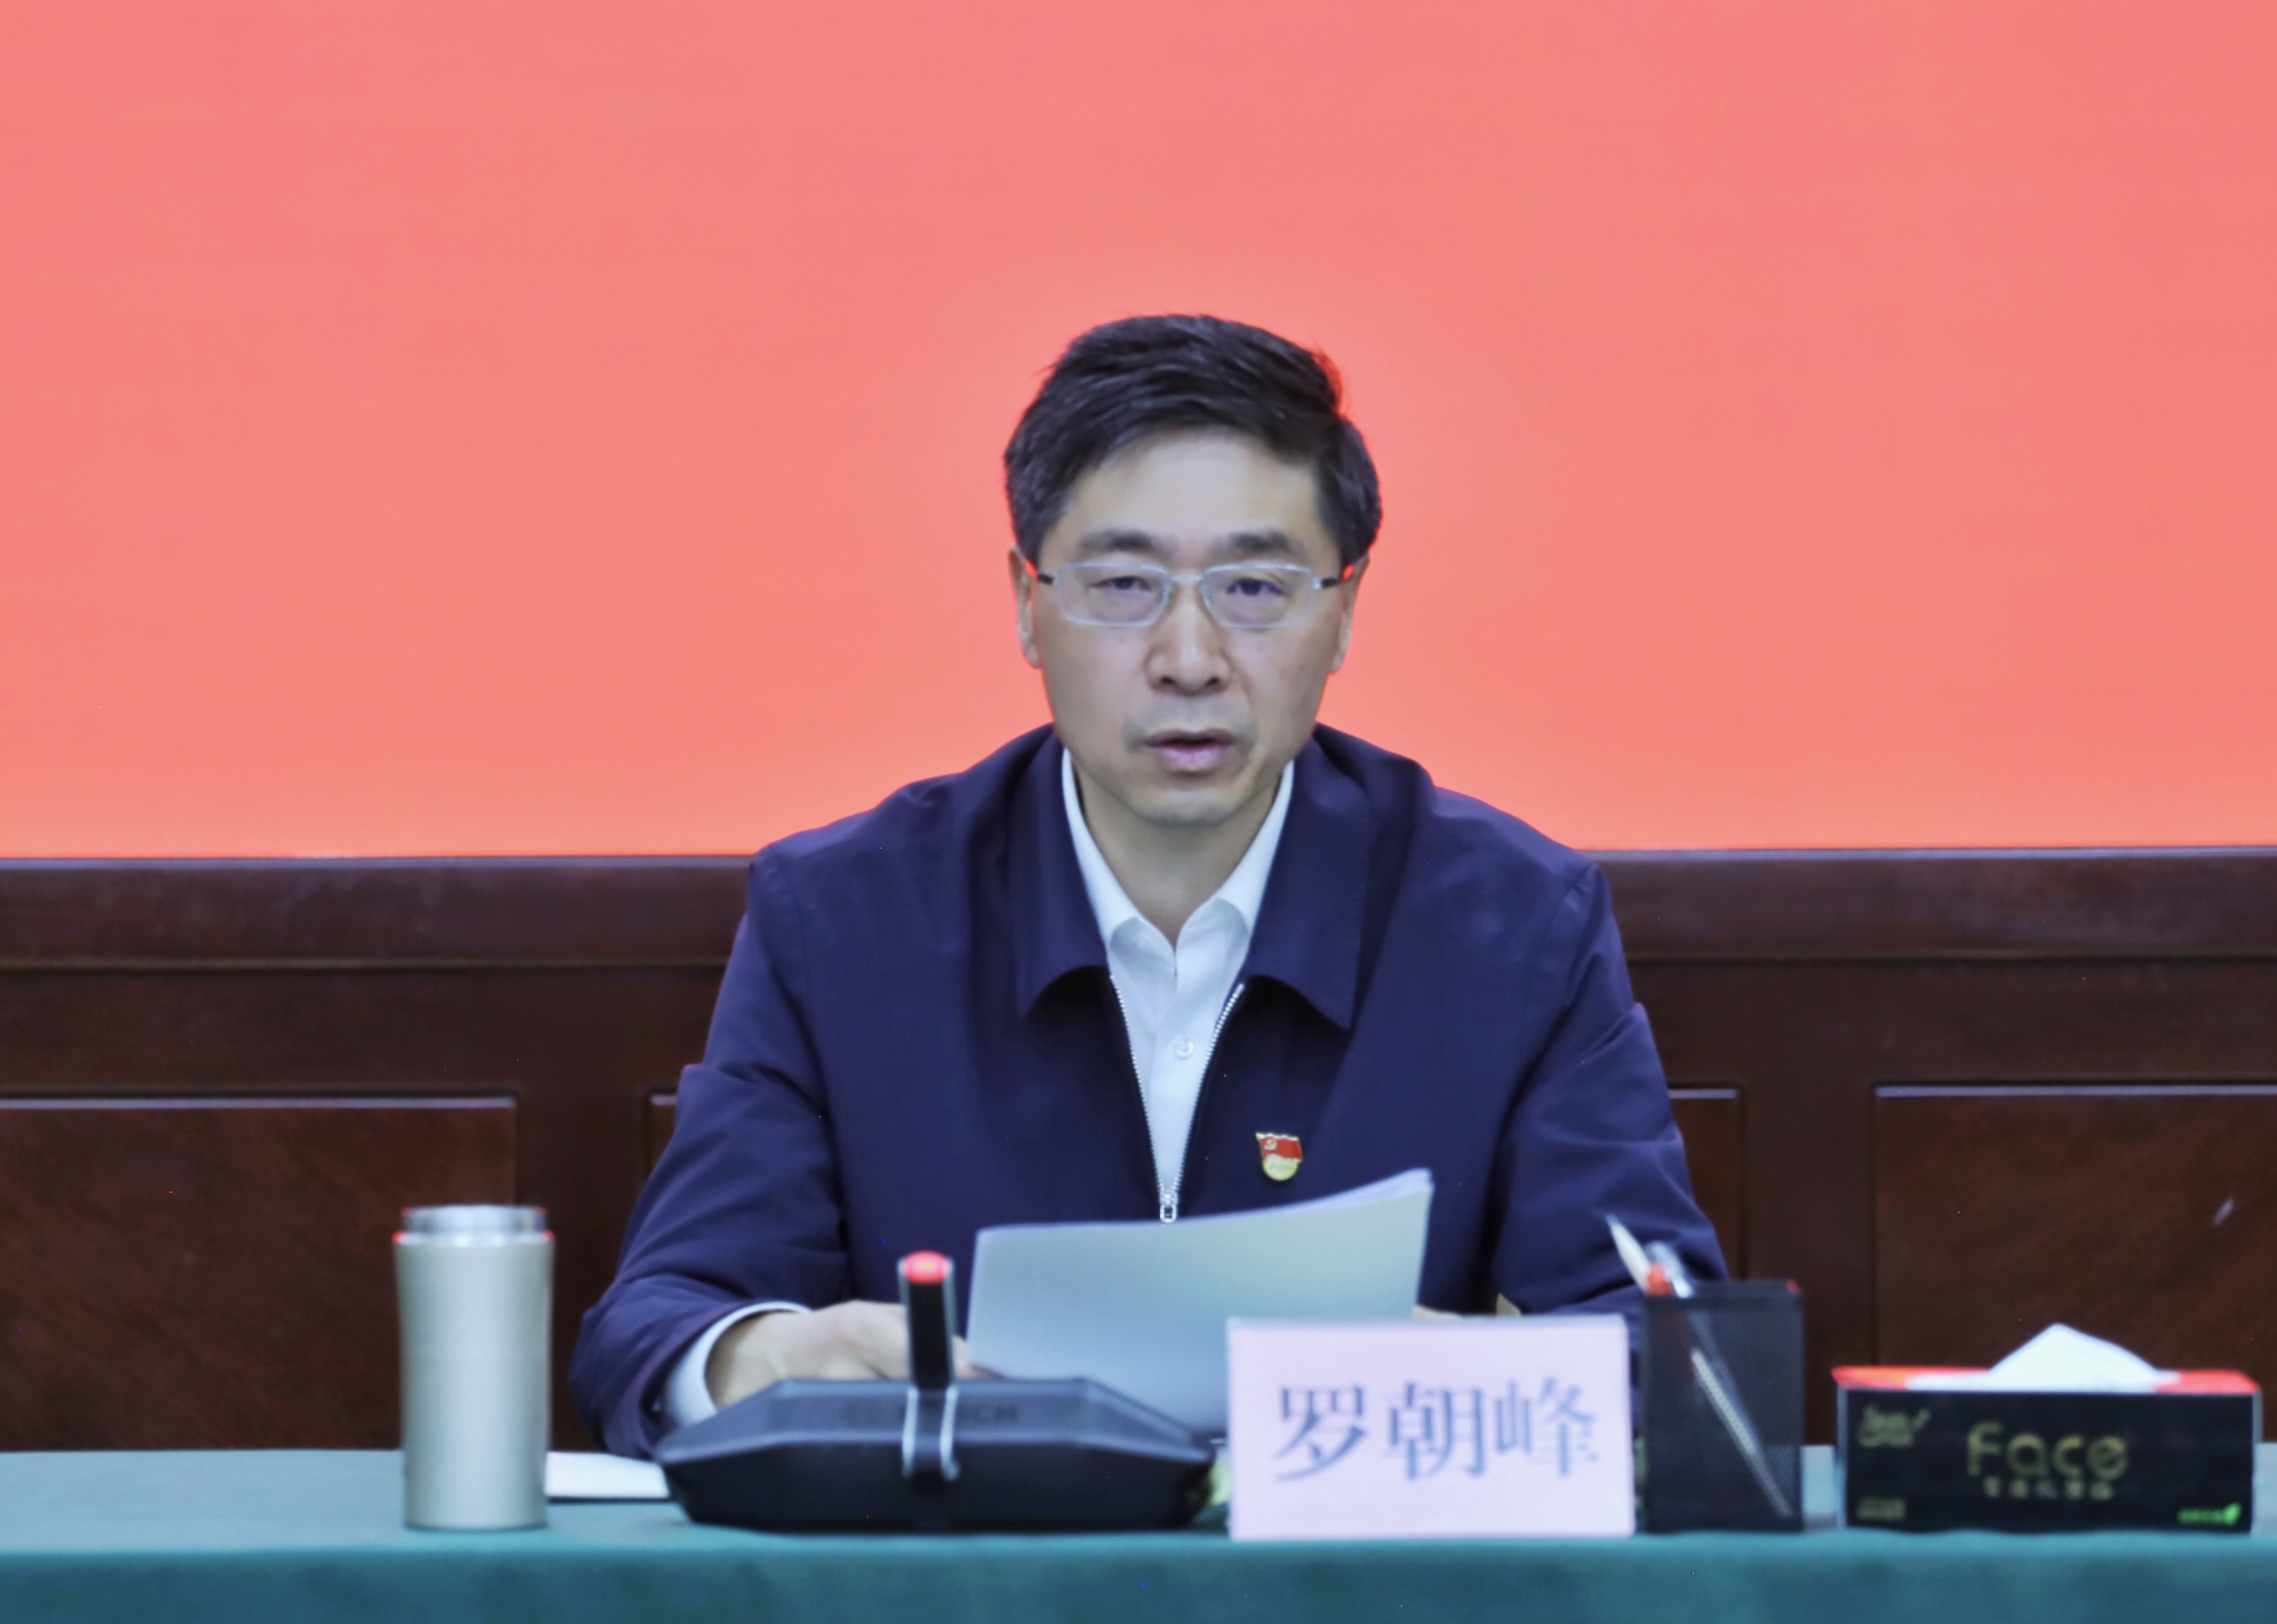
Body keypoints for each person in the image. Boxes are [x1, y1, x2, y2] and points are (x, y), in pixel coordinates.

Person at [571, 314, 1722, 1457]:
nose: (1188, 659)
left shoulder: (1510, 925)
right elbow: (655, 1326)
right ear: (1026, 603)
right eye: (1123, 584)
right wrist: (768, 1357)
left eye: (1255, 588)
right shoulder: (843, 919)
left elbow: (1677, 1351)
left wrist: (1453, 1375)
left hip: (1342, 1551)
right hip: (980, 1552)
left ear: (1344, 613)